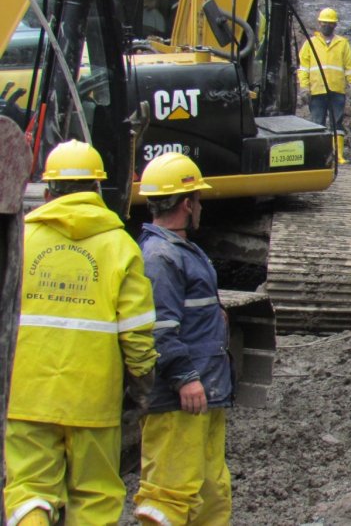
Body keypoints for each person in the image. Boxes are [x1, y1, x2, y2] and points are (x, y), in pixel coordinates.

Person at [4, 141, 158, 526]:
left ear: (50, 191)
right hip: (94, 398)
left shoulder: (20, 239)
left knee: (28, 490)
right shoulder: (119, 245)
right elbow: (137, 332)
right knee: (95, 495)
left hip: (27, 394)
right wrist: (142, 384)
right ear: (97, 189)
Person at [133, 153, 234, 526]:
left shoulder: (179, 250)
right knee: (169, 497)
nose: (201, 207)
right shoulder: (160, 257)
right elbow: (158, 327)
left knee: (211, 492)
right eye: (199, 200)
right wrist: (185, 377)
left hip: (204, 392)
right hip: (181, 397)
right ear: (187, 203)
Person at [297, 7, 351, 164]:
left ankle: (337, 155)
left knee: (336, 123)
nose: (326, 26)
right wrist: (304, 88)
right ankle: (317, 156)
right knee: (317, 123)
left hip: (337, 90)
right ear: (319, 23)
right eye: (324, 23)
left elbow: (349, 66)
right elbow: (303, 68)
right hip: (317, 90)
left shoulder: (342, 43)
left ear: (335, 25)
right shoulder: (311, 44)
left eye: (330, 23)